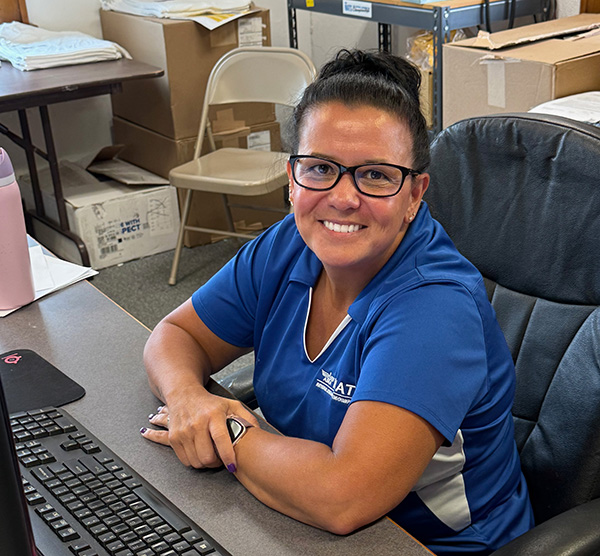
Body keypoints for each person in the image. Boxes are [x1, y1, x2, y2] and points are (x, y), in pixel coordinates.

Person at [141, 49, 534, 554]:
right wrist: (189, 399)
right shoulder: (288, 244)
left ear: (415, 193)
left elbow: (343, 498)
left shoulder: (434, 308)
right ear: (292, 178)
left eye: (375, 174)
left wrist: (229, 431)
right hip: (292, 519)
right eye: (321, 167)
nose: (343, 198)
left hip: (427, 544)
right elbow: (177, 335)